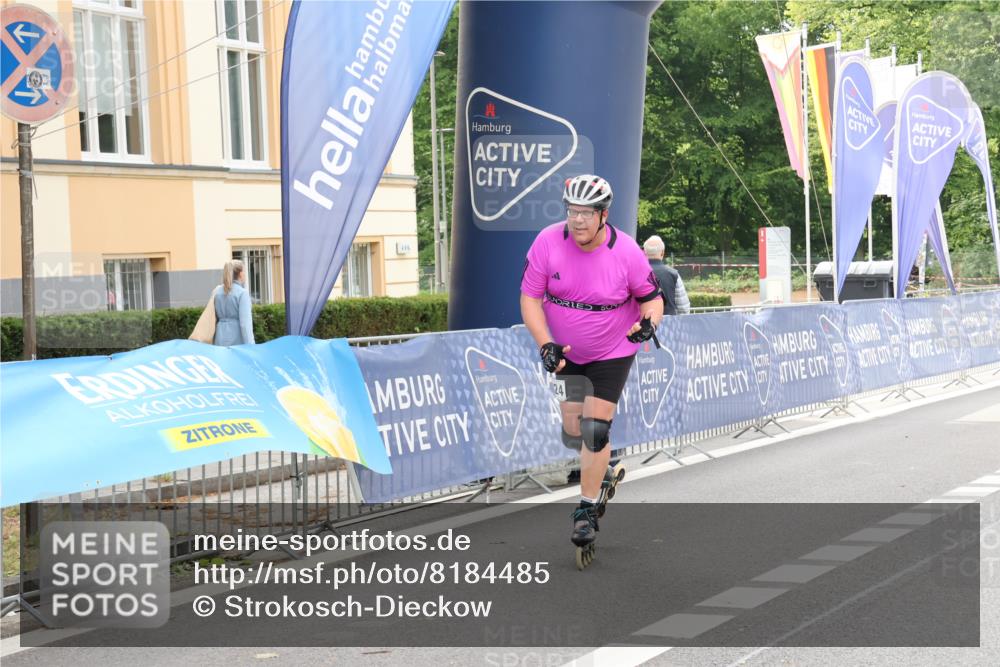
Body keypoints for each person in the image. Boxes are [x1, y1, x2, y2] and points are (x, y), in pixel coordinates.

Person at [520, 174, 663, 550]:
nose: (578, 220)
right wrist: (545, 343)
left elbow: (652, 299)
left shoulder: (628, 251)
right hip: (567, 353)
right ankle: (603, 472)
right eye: (572, 211)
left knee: (594, 431)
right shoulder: (547, 242)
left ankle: (585, 512)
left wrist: (647, 324)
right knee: (573, 431)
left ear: (604, 215)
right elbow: (530, 298)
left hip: (612, 350)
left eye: (586, 212)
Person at [643, 235, 690, 315]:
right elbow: (683, 308)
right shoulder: (673, 274)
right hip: (669, 325)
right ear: (662, 252)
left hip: (642, 324)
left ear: (644, 252)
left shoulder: (634, 274)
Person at [213, 259, 255, 346]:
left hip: (219, 338)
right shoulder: (242, 293)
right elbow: (245, 324)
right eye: (244, 271)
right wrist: (251, 346)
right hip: (236, 340)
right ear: (240, 274)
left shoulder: (217, 291)